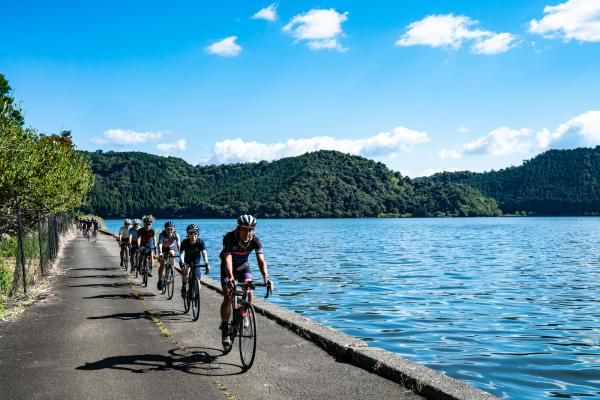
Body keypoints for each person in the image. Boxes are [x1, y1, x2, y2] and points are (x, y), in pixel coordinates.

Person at [219, 214, 272, 347]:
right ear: (239, 228)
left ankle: (245, 312)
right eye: (245, 229)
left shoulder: (256, 241)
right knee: (228, 296)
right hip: (228, 268)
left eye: (251, 229)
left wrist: (266, 277)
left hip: (243, 267)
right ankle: (225, 328)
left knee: (249, 288)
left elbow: (261, 260)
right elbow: (228, 258)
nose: (248, 232)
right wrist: (230, 275)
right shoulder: (230, 237)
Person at [179, 223, 210, 298]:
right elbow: (182, 254)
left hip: (196, 262)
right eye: (191, 233)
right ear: (188, 234)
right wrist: (182, 262)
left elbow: (204, 253)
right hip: (185, 260)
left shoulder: (200, 242)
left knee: (198, 286)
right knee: (186, 271)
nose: (193, 236)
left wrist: (206, 263)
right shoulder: (184, 242)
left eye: (195, 233)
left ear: (198, 234)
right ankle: (183, 287)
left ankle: (196, 298)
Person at [156, 221, 181, 290]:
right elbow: (160, 244)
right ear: (165, 229)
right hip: (163, 249)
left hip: (170, 248)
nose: (170, 231)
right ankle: (160, 279)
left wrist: (180, 252)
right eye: (168, 229)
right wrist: (160, 253)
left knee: (172, 254)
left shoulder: (176, 235)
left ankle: (171, 268)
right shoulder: (162, 234)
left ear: (174, 229)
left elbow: (178, 244)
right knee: (162, 264)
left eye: (171, 229)